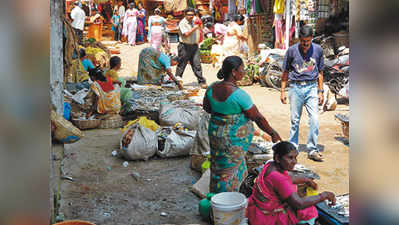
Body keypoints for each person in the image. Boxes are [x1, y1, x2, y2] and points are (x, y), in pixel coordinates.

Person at [202, 56, 282, 193]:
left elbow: (207, 108)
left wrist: (223, 115)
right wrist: (273, 133)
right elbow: (258, 118)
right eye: (242, 69)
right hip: (232, 141)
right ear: (234, 72)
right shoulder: (239, 95)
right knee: (232, 169)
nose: (244, 72)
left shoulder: (212, 88)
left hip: (216, 136)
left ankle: (215, 196)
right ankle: (229, 199)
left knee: (218, 165)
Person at [247, 141, 336, 225]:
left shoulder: (270, 165)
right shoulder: (278, 178)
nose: (294, 162)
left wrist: (307, 180)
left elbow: (287, 178)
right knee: (309, 211)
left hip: (256, 211)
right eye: (290, 157)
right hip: (266, 218)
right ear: (277, 158)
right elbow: (299, 203)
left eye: (295, 157)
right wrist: (324, 195)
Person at [280, 25, 325, 162]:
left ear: (312, 39)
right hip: (295, 88)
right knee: (295, 121)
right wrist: (282, 91)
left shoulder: (318, 50)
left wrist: (321, 91)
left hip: (311, 87)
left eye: (308, 41)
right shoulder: (291, 51)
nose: (305, 44)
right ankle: (293, 148)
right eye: (303, 41)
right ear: (299, 39)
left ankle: (312, 149)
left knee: (315, 119)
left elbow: (320, 72)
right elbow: (285, 72)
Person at [176, 8, 207, 89]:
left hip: (194, 46)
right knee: (181, 64)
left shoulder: (194, 21)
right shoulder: (182, 23)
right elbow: (186, 34)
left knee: (197, 64)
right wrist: (195, 28)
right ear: (185, 15)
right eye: (189, 15)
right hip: (184, 46)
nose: (191, 16)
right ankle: (177, 81)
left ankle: (201, 81)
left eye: (192, 15)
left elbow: (200, 30)